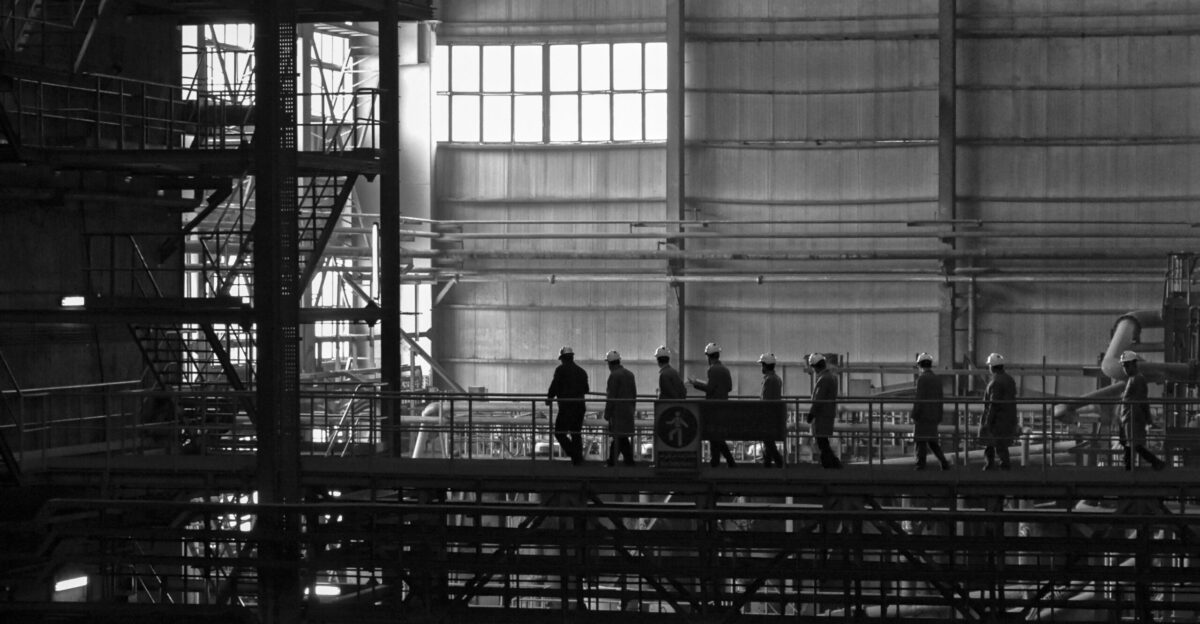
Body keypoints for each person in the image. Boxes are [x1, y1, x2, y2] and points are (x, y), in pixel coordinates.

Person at [689, 342, 736, 467]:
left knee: (714, 436)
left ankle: (726, 461)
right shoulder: (725, 369)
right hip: (723, 406)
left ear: (709, 357)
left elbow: (710, 389)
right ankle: (717, 461)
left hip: (713, 408)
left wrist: (696, 383)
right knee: (717, 435)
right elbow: (729, 387)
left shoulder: (712, 369)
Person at [1118, 350, 1167, 471]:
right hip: (1128, 417)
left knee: (1133, 444)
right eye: (1123, 366)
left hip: (1132, 417)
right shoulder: (1133, 379)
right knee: (1129, 443)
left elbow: (1142, 400)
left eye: (1126, 365)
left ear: (1134, 364)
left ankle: (1154, 463)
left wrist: (1148, 419)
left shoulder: (1137, 379)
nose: (1124, 368)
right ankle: (1130, 467)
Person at [546, 346, 589, 465]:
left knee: (559, 433)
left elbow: (554, 385)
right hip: (579, 407)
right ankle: (577, 459)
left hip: (566, 407)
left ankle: (574, 454)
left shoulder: (560, 370)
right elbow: (586, 389)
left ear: (562, 358)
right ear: (572, 357)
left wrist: (549, 398)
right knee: (576, 433)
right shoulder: (581, 371)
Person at [911, 352, 951, 470]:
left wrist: (914, 414)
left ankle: (920, 465)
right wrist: (939, 415)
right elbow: (940, 399)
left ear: (919, 365)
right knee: (932, 441)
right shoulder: (937, 379)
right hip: (934, 416)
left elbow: (919, 399)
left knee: (920, 441)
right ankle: (944, 463)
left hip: (922, 416)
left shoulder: (922, 379)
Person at [979, 352, 1018, 471]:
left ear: (992, 367)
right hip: (1008, 418)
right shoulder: (1009, 379)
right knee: (1002, 445)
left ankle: (990, 466)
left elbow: (993, 404)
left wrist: (987, 422)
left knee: (990, 443)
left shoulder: (995, 382)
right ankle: (1004, 466)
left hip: (997, 420)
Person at [806, 353, 842, 469]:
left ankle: (830, 464)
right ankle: (832, 463)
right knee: (823, 440)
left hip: (822, 414)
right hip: (827, 413)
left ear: (815, 366)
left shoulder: (823, 379)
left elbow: (818, 398)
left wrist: (811, 413)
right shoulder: (830, 377)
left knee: (821, 441)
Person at [603, 350, 637, 467]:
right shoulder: (630, 374)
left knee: (618, 437)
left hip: (617, 412)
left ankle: (613, 461)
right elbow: (634, 394)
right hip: (628, 410)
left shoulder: (614, 376)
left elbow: (611, 397)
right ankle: (627, 460)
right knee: (621, 437)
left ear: (610, 363)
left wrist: (607, 413)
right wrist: (633, 409)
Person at [758, 353, 786, 468]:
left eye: (762, 365)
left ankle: (779, 463)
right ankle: (767, 464)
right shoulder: (776, 379)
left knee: (768, 441)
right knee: (768, 441)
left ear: (765, 366)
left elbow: (766, 400)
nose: (761, 367)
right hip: (773, 414)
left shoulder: (770, 380)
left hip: (768, 415)